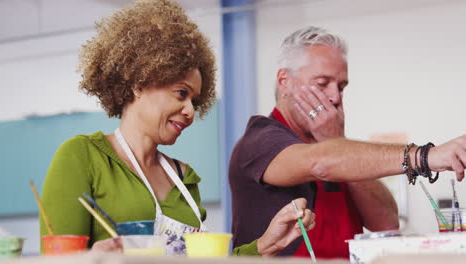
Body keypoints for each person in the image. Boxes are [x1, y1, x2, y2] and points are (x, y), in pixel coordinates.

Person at [40, 0, 316, 256]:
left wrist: (266, 244)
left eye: (195, 100)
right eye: (181, 93)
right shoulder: (82, 157)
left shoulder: (183, 178)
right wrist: (93, 258)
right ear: (140, 82)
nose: (190, 111)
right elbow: (55, 259)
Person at [229, 26, 466, 259]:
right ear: (284, 81)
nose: (335, 97)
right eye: (322, 83)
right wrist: (425, 156)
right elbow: (320, 163)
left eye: (341, 87)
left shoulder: (337, 149)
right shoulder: (260, 139)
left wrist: (337, 141)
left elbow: (387, 223)